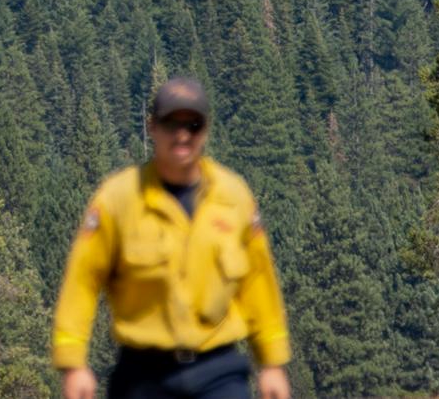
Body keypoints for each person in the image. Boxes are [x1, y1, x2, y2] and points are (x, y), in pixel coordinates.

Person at [52, 78, 292, 399]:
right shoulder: (117, 199)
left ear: (205, 130)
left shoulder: (234, 197)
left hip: (218, 370)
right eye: (171, 123)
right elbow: (82, 281)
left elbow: (258, 284)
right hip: (143, 374)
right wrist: (73, 363)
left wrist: (272, 363)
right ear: (152, 127)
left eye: (193, 124)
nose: (182, 135)